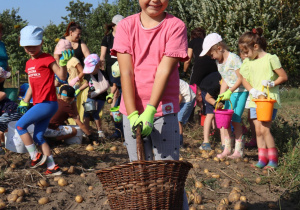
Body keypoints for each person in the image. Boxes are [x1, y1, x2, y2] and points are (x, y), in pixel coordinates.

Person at [111, 1, 189, 209]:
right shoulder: (126, 26)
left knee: (169, 176)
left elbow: (164, 70)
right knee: (140, 175)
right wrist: (134, 112)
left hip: (164, 111)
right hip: (132, 113)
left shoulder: (175, 26)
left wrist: (151, 109)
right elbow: (125, 72)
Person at [16, 25, 72, 175]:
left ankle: (35, 155)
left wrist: (63, 64)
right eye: (27, 46)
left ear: (41, 43)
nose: (30, 48)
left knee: (20, 126)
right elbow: (31, 86)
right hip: (41, 104)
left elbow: (62, 76)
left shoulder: (47, 58)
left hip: (47, 103)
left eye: (33, 45)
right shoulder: (29, 64)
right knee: (39, 136)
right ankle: (52, 167)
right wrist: (24, 101)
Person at [239, 28, 288, 168]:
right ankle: (262, 158)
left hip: (267, 100)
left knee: (265, 130)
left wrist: (273, 83)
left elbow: (283, 76)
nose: (245, 55)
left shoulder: (270, 59)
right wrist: (252, 90)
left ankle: (273, 159)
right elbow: (244, 79)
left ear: (255, 46)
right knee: (258, 131)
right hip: (256, 100)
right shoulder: (248, 62)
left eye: (246, 51)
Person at [200, 33, 249, 158]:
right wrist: (221, 95)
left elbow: (241, 78)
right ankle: (227, 148)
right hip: (230, 93)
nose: (212, 57)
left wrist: (230, 91)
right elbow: (225, 80)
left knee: (235, 119)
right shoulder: (219, 62)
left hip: (240, 92)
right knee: (226, 120)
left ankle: (239, 150)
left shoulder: (234, 59)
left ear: (219, 48)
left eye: (212, 54)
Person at [183, 27, 218, 124]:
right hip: (212, 66)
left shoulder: (193, 42)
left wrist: (184, 71)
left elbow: (188, 59)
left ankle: (189, 119)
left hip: (199, 67)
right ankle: (211, 114)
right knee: (209, 90)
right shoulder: (207, 41)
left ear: (192, 36)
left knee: (192, 91)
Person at [100, 15, 124, 139]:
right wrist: (101, 70)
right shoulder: (108, 38)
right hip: (112, 71)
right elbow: (102, 56)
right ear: (113, 25)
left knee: (120, 95)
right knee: (115, 94)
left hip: (124, 70)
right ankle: (117, 127)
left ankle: (121, 126)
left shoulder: (126, 37)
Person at [82, 54, 108, 138]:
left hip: (101, 97)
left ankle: (99, 131)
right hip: (90, 97)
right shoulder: (88, 74)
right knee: (86, 113)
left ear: (97, 66)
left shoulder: (103, 74)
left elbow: (106, 85)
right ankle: (86, 131)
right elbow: (87, 83)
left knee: (95, 113)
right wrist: (79, 89)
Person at [198, 72, 222, 150]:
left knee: (221, 113)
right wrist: (217, 104)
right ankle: (206, 142)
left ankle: (223, 142)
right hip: (207, 91)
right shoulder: (216, 85)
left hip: (219, 92)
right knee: (210, 114)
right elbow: (208, 98)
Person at [178, 79, 196, 146]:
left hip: (187, 99)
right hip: (183, 99)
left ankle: (180, 143)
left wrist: (174, 109)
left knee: (178, 120)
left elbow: (180, 97)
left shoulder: (171, 80)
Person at [0, 23, 12, 91]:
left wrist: (7, 68)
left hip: (3, 73)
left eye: (1, 32)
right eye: (0, 32)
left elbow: (5, 58)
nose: (2, 34)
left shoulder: (2, 44)